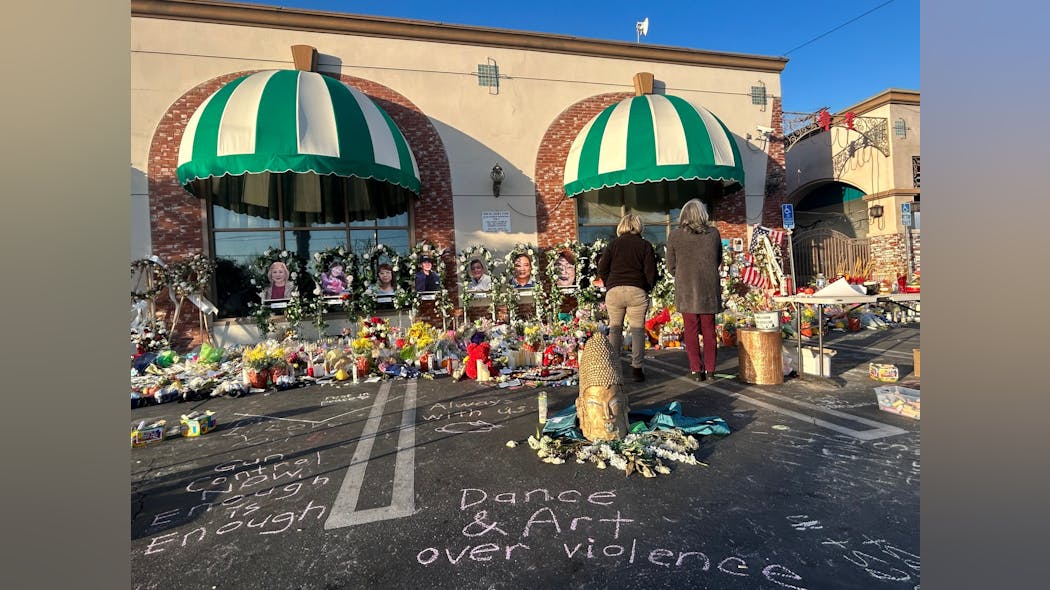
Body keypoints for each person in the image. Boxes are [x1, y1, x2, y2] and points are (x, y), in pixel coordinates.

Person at [666, 198, 723, 382]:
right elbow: (718, 259)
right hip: (708, 286)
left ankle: (696, 371)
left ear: (684, 215)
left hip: (686, 287)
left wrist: (682, 273)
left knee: (690, 330)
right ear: (702, 214)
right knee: (709, 330)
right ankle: (711, 370)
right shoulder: (713, 234)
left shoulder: (675, 236)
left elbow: (670, 266)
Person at [598, 213, 657, 382]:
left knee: (615, 329)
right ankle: (637, 369)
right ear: (638, 226)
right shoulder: (645, 245)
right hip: (637, 290)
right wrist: (646, 286)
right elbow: (651, 272)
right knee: (637, 330)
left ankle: (614, 368)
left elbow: (602, 268)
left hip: (614, 290)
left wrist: (610, 283)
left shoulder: (613, 244)